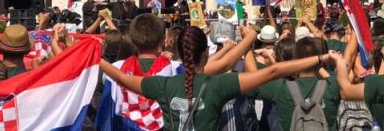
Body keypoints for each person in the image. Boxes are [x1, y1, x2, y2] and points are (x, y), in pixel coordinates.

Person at [100, 25, 327, 130]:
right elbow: (273, 72)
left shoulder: (163, 84)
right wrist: (320, 58)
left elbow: (120, 77)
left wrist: (94, 58)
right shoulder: (218, 84)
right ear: (205, 53)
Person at [251, 35, 341, 130]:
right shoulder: (333, 86)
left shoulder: (279, 87)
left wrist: (249, 47)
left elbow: (253, 77)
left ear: (295, 60)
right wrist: (327, 62)